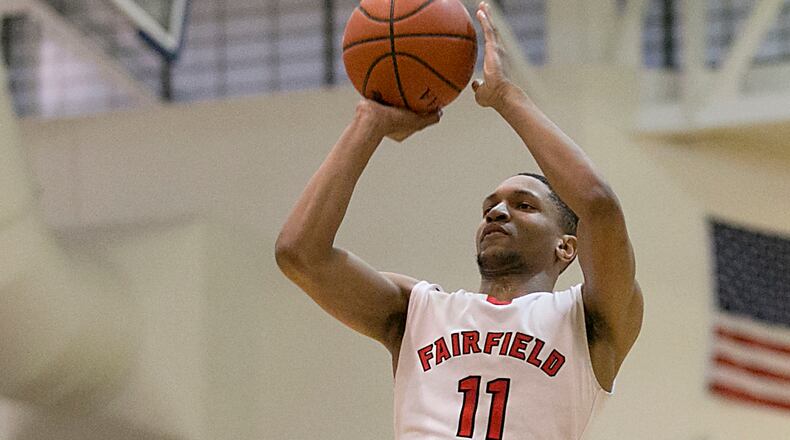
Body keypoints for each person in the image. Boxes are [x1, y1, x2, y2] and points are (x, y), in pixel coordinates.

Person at [275, 2, 643, 438]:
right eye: (491, 206)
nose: (498, 211)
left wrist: (507, 97)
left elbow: (599, 206)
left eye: (524, 205)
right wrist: (369, 122)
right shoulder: (418, 309)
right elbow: (300, 254)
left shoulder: (589, 319)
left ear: (566, 246)